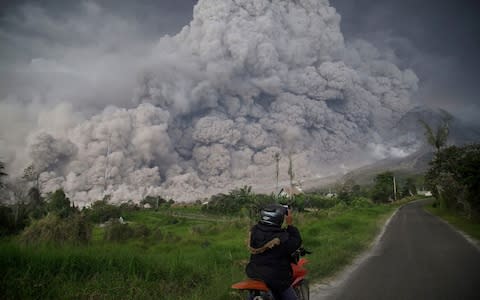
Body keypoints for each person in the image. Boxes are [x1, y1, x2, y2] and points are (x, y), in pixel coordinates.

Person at [246, 203, 302, 300]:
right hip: (275, 278)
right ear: (278, 219)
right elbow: (296, 242)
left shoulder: (254, 230)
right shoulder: (282, 237)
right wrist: (290, 225)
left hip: (254, 273)